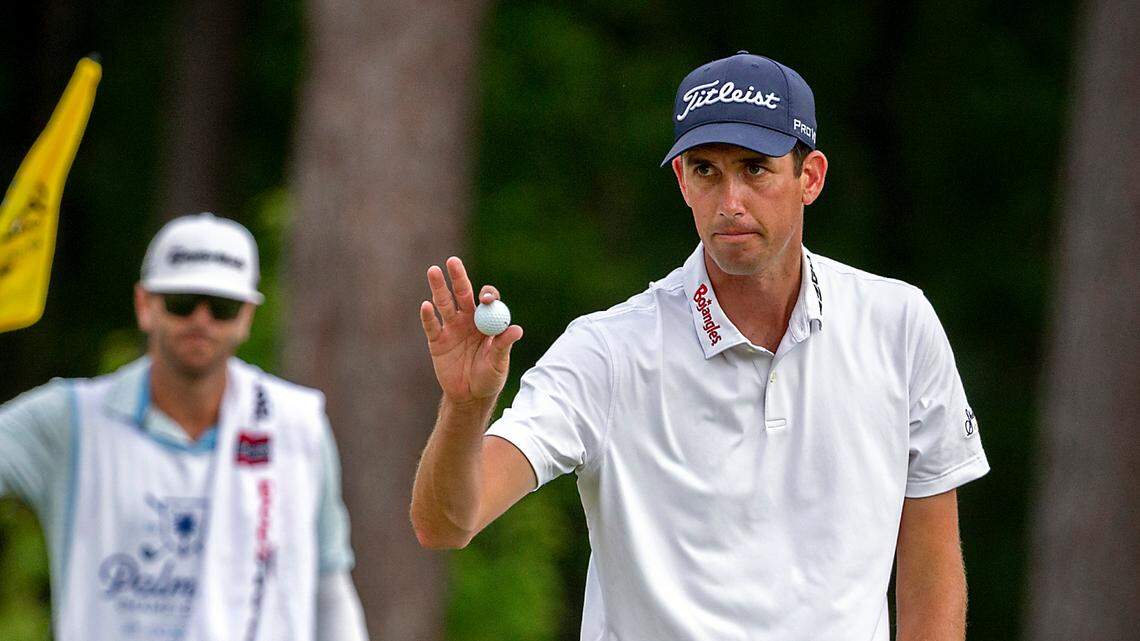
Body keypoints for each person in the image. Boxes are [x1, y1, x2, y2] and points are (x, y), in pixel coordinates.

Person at [412, 51, 990, 641]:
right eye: (706, 170)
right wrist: (463, 408)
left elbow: (931, 567)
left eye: (755, 168)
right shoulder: (608, 352)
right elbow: (447, 523)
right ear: (682, 182)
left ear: (809, 178)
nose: (730, 201)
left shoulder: (899, 325)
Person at [0, 213, 369, 641]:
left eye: (222, 307)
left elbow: (329, 582)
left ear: (247, 315)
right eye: (181, 302)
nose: (201, 320)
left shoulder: (296, 425)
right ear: (145, 306)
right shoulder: (70, 420)